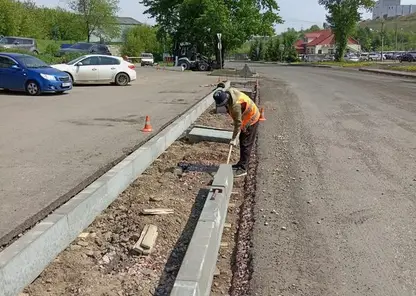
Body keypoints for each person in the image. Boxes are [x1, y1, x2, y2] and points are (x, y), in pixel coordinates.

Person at [213, 84, 260, 177]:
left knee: (245, 143)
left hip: (251, 119)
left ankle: (243, 168)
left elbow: (238, 123)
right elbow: (220, 88)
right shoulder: (228, 93)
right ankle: (240, 164)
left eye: (223, 105)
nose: (224, 107)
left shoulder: (235, 106)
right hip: (245, 116)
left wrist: (234, 138)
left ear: (226, 101)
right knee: (243, 141)